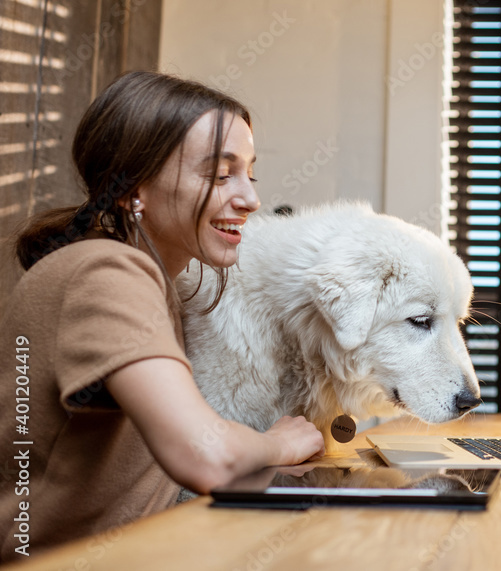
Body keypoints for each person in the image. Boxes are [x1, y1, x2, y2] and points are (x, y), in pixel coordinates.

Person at [0, 71, 325, 562]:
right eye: (220, 175)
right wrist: (276, 444)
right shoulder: (108, 272)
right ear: (133, 186)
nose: (251, 200)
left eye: (249, 174)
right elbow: (207, 455)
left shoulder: (136, 276)